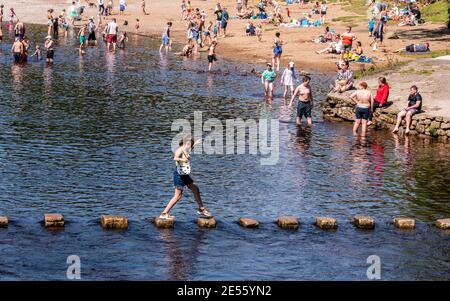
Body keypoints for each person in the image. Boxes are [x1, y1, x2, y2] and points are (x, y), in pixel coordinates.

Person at [159, 136, 212, 221]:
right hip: (179, 175)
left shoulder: (186, 149)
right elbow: (174, 158)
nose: (189, 146)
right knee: (178, 196)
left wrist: (196, 143)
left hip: (185, 175)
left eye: (190, 144)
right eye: (188, 144)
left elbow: (191, 146)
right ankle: (164, 213)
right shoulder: (179, 150)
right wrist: (183, 160)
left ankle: (201, 209)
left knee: (196, 189)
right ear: (183, 143)